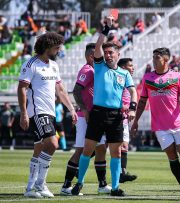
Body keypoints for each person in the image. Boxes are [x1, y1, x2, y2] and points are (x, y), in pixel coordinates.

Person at [71, 16, 137, 197]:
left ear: (118, 55)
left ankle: (115, 188)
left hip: (116, 115)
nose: (108, 55)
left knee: (115, 153)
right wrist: (106, 29)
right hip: (98, 113)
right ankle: (80, 183)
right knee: (87, 150)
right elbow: (99, 43)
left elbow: (133, 92)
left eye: (111, 53)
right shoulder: (99, 66)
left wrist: (132, 108)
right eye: (105, 52)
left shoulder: (124, 73)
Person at [18, 32, 78, 198]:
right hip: (37, 112)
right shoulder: (31, 64)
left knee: (39, 149)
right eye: (57, 47)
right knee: (52, 143)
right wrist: (23, 113)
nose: (59, 50)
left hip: (50, 112)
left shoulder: (53, 65)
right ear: (48, 47)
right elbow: (21, 88)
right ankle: (40, 184)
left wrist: (71, 109)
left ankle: (30, 188)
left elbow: (60, 89)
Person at [131, 47, 180, 197]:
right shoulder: (147, 78)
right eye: (153, 57)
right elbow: (142, 102)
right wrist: (135, 122)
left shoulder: (177, 76)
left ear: (166, 60)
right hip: (160, 126)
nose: (154, 60)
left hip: (177, 122)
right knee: (172, 156)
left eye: (157, 58)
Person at [60, 43, 112, 195]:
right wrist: (83, 109)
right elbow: (76, 90)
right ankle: (66, 186)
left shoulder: (96, 70)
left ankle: (102, 185)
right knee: (81, 150)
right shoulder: (87, 70)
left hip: (97, 117)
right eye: (98, 55)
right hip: (86, 117)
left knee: (101, 148)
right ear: (91, 56)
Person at [117, 58, 138, 183]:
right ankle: (77, 166)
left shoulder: (128, 80)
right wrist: (122, 107)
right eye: (130, 66)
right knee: (99, 147)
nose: (133, 68)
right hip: (114, 117)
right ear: (123, 68)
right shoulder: (117, 79)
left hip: (124, 118)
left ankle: (122, 173)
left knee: (124, 145)